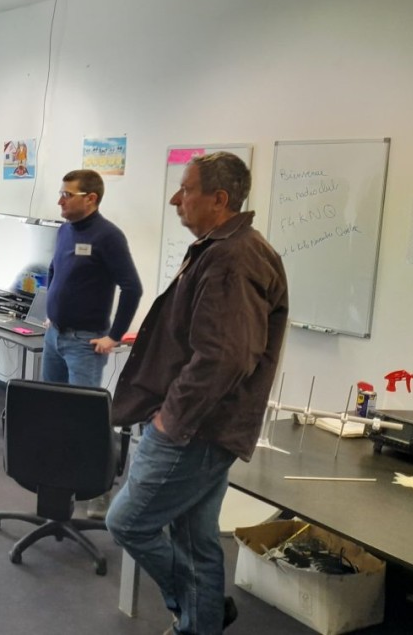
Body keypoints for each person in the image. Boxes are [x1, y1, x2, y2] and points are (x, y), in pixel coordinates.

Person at [105, 152, 288, 635]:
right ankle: (201, 620)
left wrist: (171, 419)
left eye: (186, 189)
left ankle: (198, 606)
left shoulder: (233, 258)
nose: (175, 199)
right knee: (195, 540)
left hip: (193, 430)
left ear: (219, 199)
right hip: (204, 427)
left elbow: (223, 356)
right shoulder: (222, 248)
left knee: (127, 522)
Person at [42, 168, 142, 388]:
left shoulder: (108, 236)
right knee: (49, 401)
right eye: (61, 194)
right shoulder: (64, 230)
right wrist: (51, 314)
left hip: (84, 343)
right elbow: (53, 270)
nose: (60, 201)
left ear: (91, 198)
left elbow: (132, 288)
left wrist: (114, 336)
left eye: (67, 195)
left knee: (81, 406)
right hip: (54, 334)